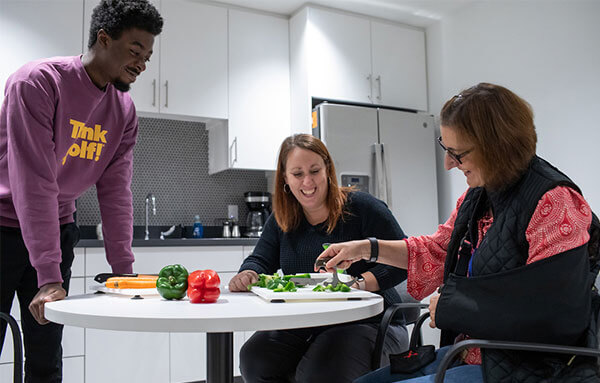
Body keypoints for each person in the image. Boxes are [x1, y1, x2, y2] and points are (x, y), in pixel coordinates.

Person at [317, 83, 598, 382]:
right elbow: (438, 252)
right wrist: (366, 249)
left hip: (527, 368)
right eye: (445, 148)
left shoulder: (554, 202)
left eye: (458, 153)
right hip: (472, 352)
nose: (449, 163)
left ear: (498, 147)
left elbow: (555, 312)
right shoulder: (478, 196)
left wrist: (455, 306)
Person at [0, 1, 162, 381]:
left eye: (148, 57)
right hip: (3, 227)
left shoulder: (123, 110)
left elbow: (117, 192)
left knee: (46, 354)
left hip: (56, 229)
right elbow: (35, 182)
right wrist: (49, 277)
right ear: (104, 39)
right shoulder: (37, 83)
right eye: (135, 51)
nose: (141, 64)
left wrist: (125, 275)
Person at [228, 134, 410, 383]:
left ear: (328, 170)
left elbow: (405, 261)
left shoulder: (362, 207)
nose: (308, 181)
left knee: (319, 371)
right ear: (285, 178)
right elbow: (260, 259)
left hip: (373, 322)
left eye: (314, 170)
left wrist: (359, 283)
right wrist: (248, 272)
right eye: (297, 174)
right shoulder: (282, 219)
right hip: (308, 321)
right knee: (254, 359)